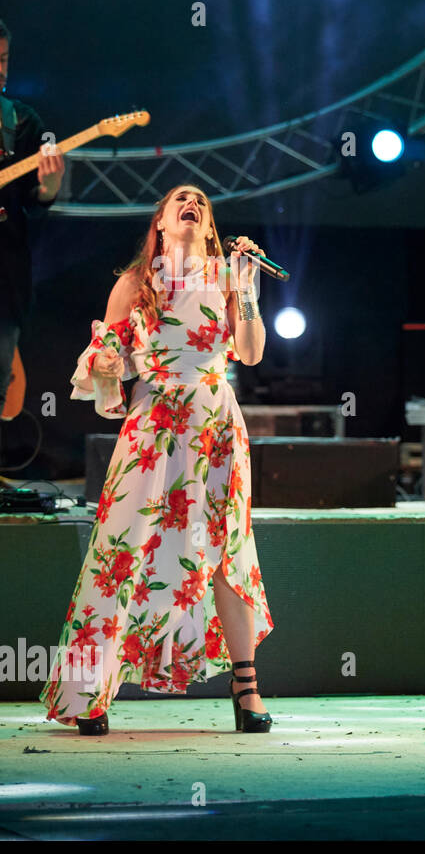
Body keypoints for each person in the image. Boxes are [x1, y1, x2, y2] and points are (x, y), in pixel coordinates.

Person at [40, 184, 276, 734]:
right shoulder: (134, 284)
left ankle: (247, 690)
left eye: (201, 202)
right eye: (180, 200)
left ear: (210, 228)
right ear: (162, 224)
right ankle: (88, 692)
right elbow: (111, 360)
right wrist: (102, 362)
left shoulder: (228, 278)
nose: (191, 204)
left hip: (216, 427)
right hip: (153, 426)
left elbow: (250, 351)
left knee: (224, 552)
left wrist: (245, 288)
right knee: (122, 552)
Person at [0, 18, 65, 417]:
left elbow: (36, 201)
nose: (0, 70)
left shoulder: (20, 122)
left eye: (3, 59)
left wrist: (51, 185)